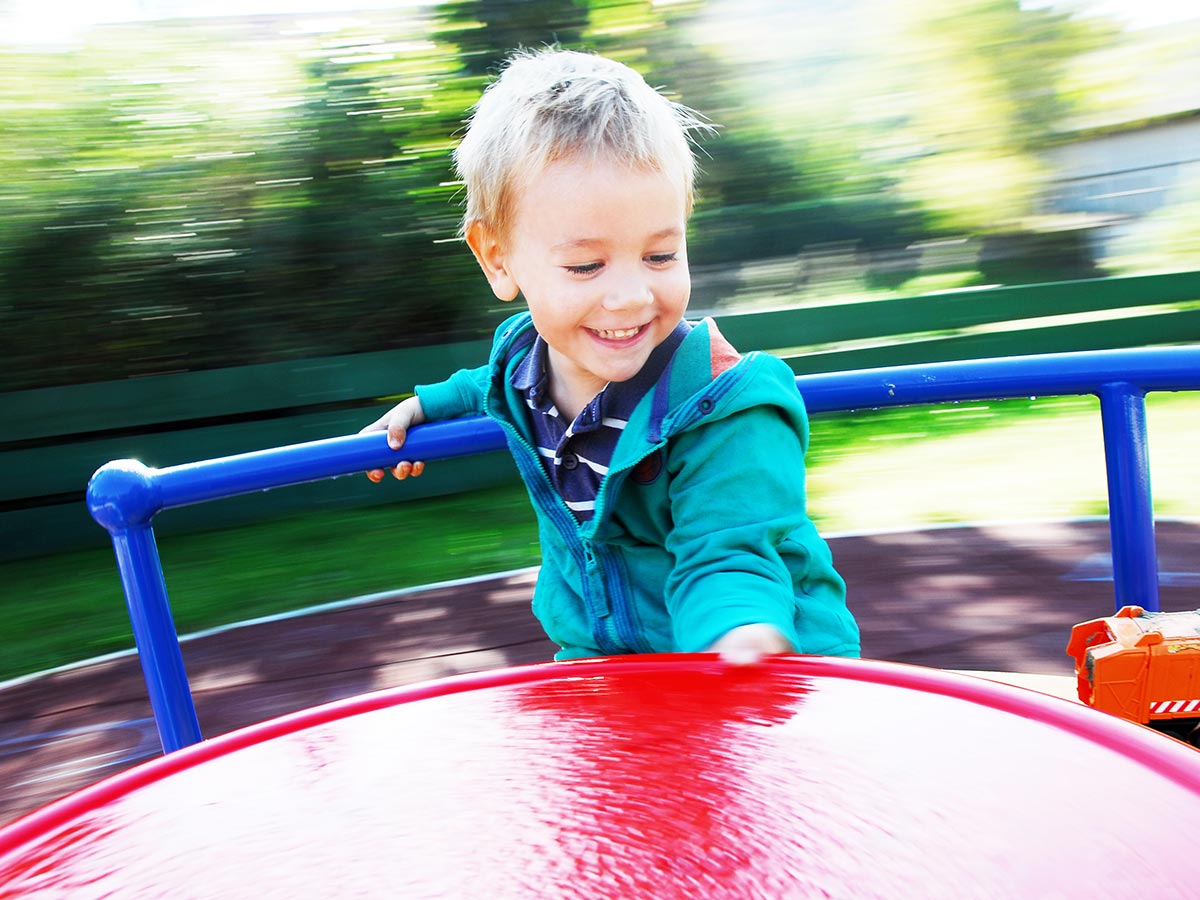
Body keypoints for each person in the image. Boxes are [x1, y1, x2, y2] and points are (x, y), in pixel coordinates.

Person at [361, 48, 859, 664]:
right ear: (497, 257)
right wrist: (423, 405)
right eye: (586, 265)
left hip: (755, 666)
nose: (630, 297)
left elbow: (729, 549)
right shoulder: (520, 359)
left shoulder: (724, 405)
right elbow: (484, 384)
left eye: (659, 256)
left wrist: (740, 633)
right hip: (608, 660)